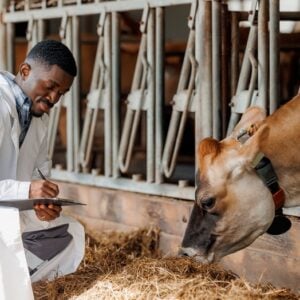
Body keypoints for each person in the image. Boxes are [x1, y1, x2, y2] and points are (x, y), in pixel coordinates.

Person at [0, 40, 85, 298]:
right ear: (25, 71)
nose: (53, 99)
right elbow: (27, 186)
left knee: (70, 234)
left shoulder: (40, 118)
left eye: (62, 93)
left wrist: (42, 204)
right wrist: (27, 190)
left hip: (10, 209)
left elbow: (39, 171)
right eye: (51, 87)